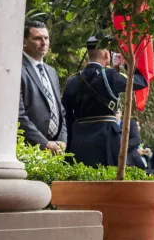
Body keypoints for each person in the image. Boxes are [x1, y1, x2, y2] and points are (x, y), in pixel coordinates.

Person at [63, 36, 148, 168]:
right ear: (107, 54)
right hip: (106, 138)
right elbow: (141, 81)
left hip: (79, 140)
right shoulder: (110, 75)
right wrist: (126, 62)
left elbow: (67, 116)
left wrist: (70, 144)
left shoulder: (72, 80)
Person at [19, 20, 67, 153]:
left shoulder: (51, 72)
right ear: (24, 41)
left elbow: (60, 110)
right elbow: (19, 115)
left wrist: (62, 140)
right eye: (37, 38)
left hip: (55, 149)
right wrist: (44, 143)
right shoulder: (17, 69)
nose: (44, 42)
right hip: (29, 149)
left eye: (46, 38)